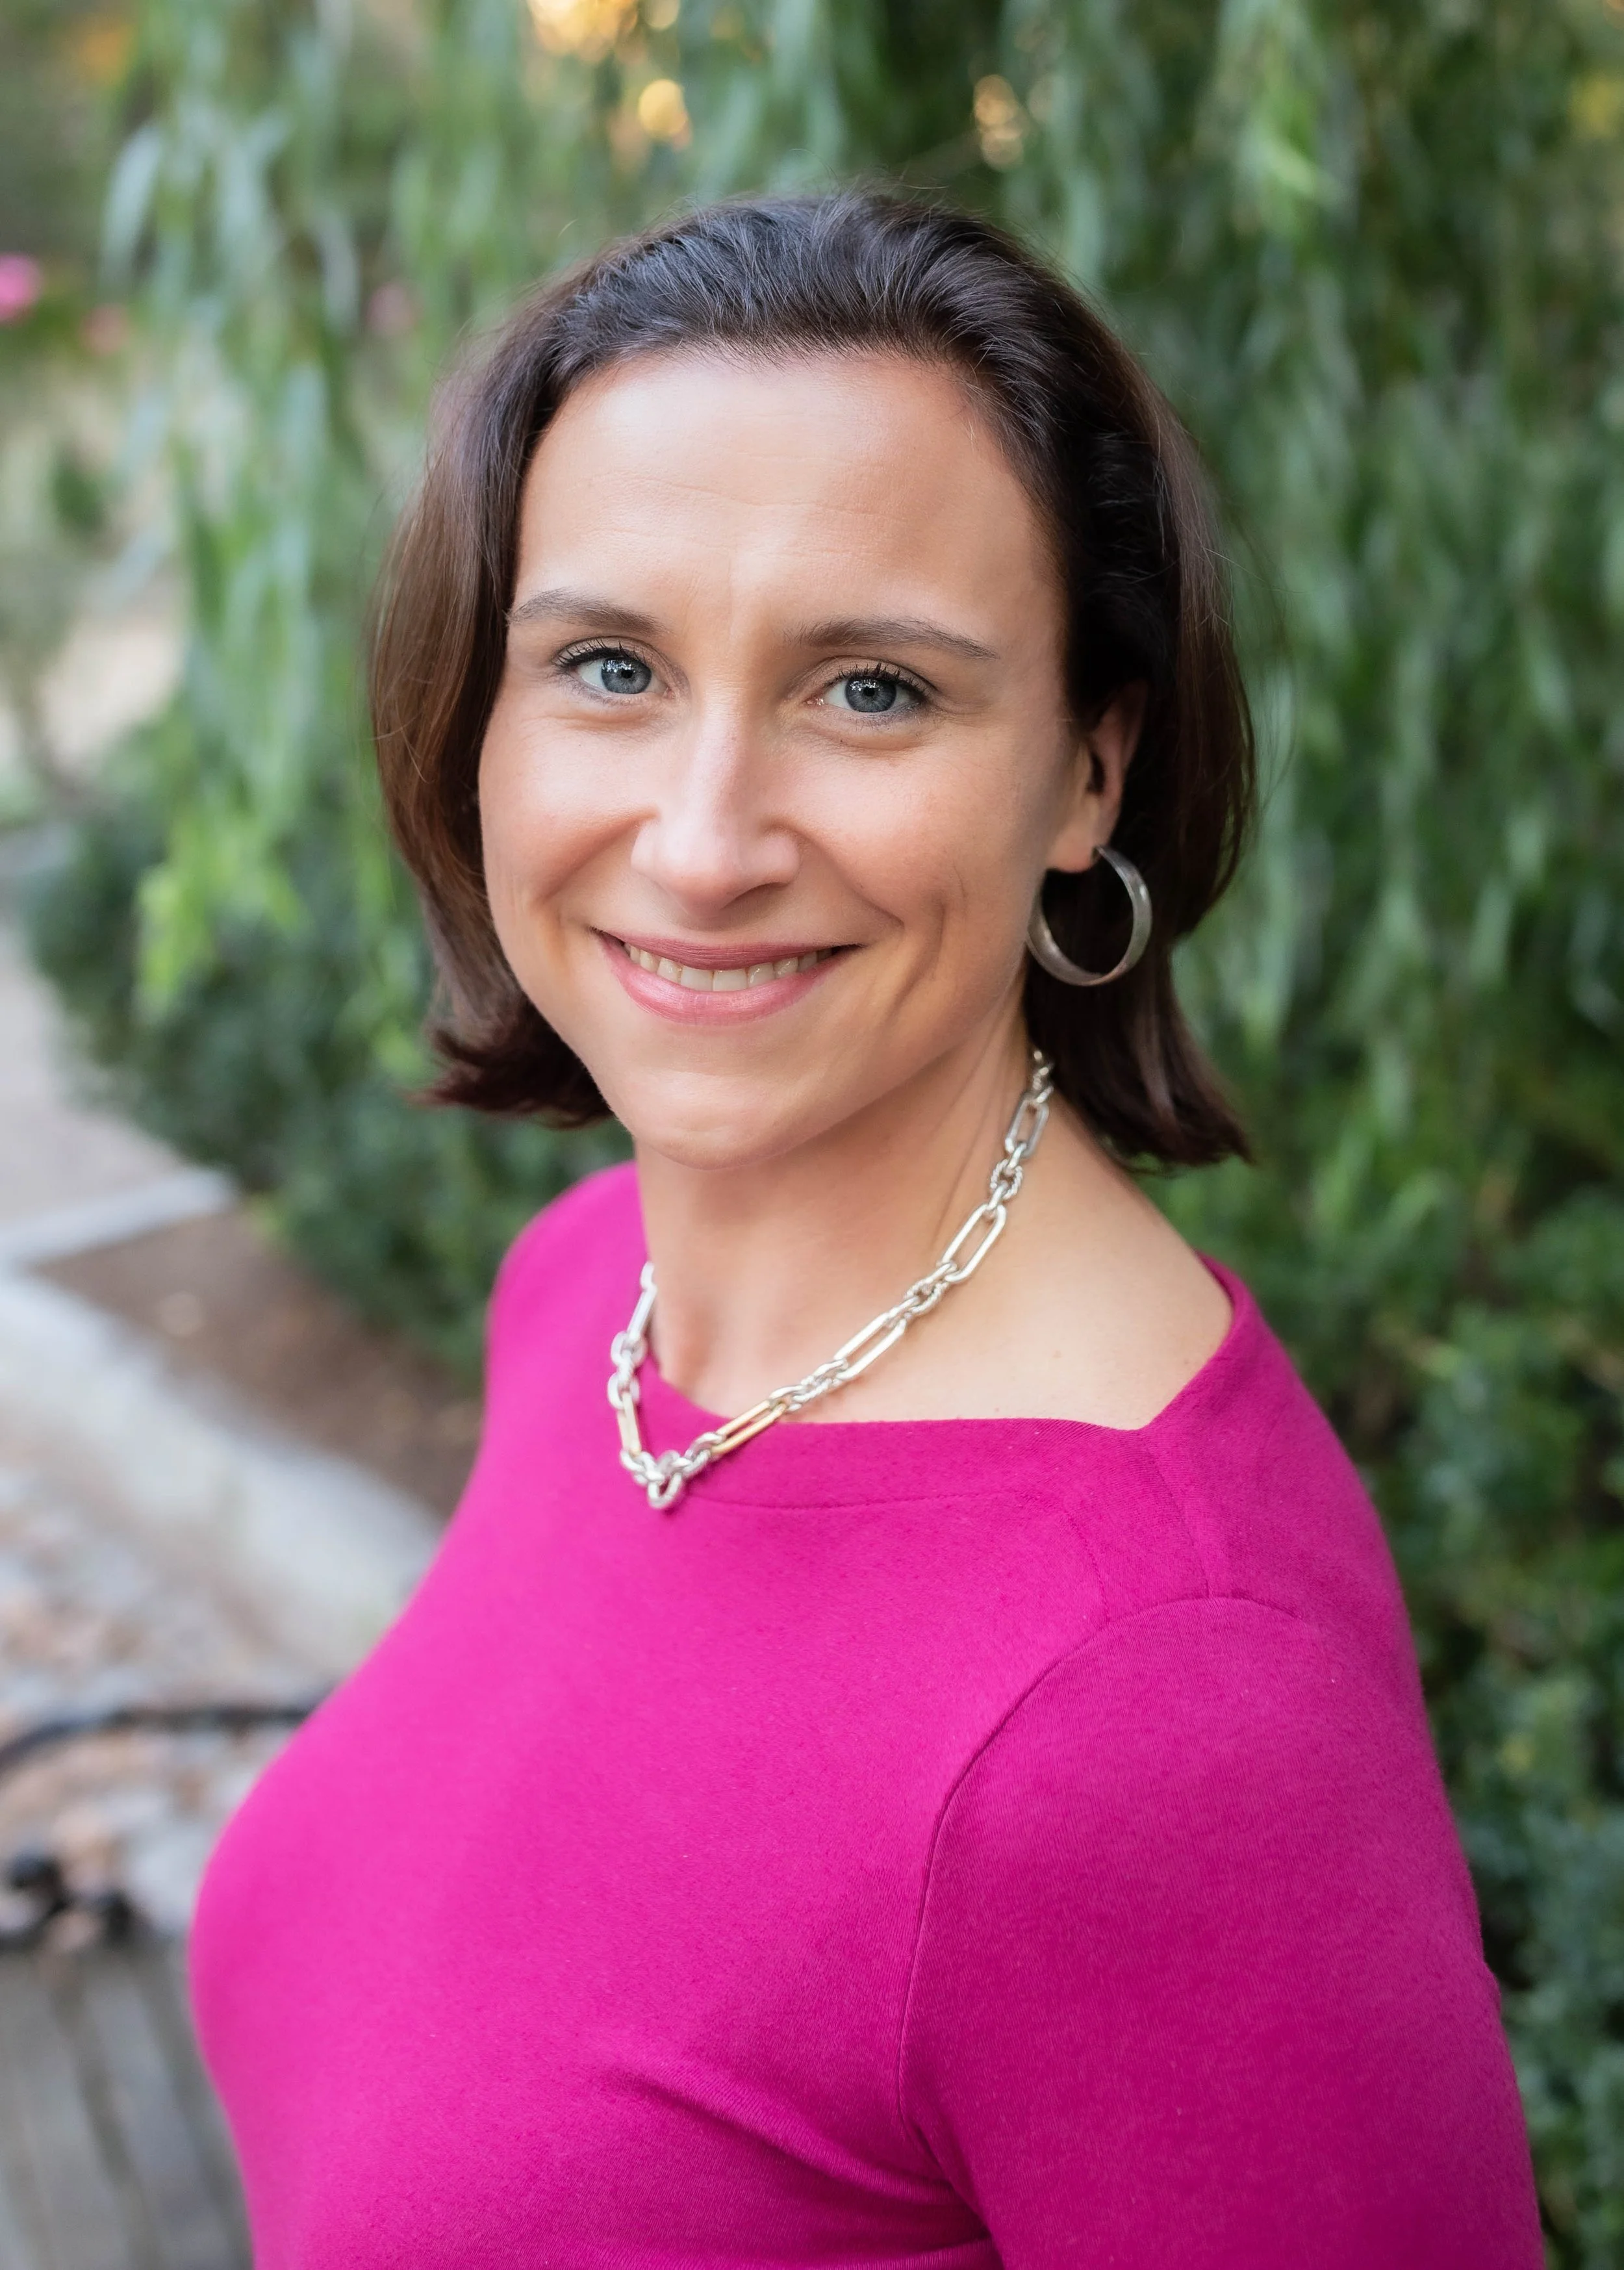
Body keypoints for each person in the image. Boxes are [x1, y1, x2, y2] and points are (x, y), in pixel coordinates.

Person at [189, 193, 1543, 2267]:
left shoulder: (1168, 1716)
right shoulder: (589, 1301)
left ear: (1088, 770)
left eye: (873, 690)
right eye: (612, 665)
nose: (707, 837)